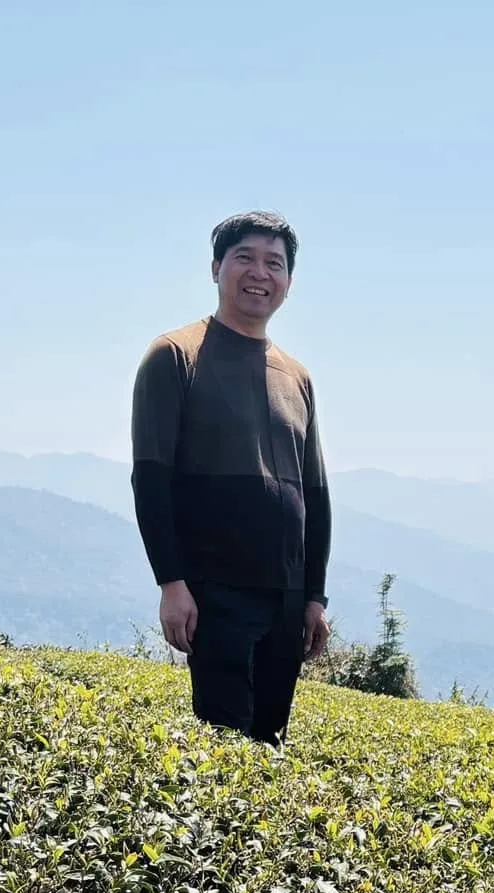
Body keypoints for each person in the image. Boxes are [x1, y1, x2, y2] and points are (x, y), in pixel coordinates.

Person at [131, 210, 332, 744]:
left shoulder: (297, 376)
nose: (259, 273)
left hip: (286, 595)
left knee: (269, 741)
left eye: (275, 263)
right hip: (214, 587)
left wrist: (315, 596)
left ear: (289, 282)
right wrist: (172, 583)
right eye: (245, 257)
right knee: (223, 743)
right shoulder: (175, 355)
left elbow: (315, 496)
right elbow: (150, 478)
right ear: (217, 266)